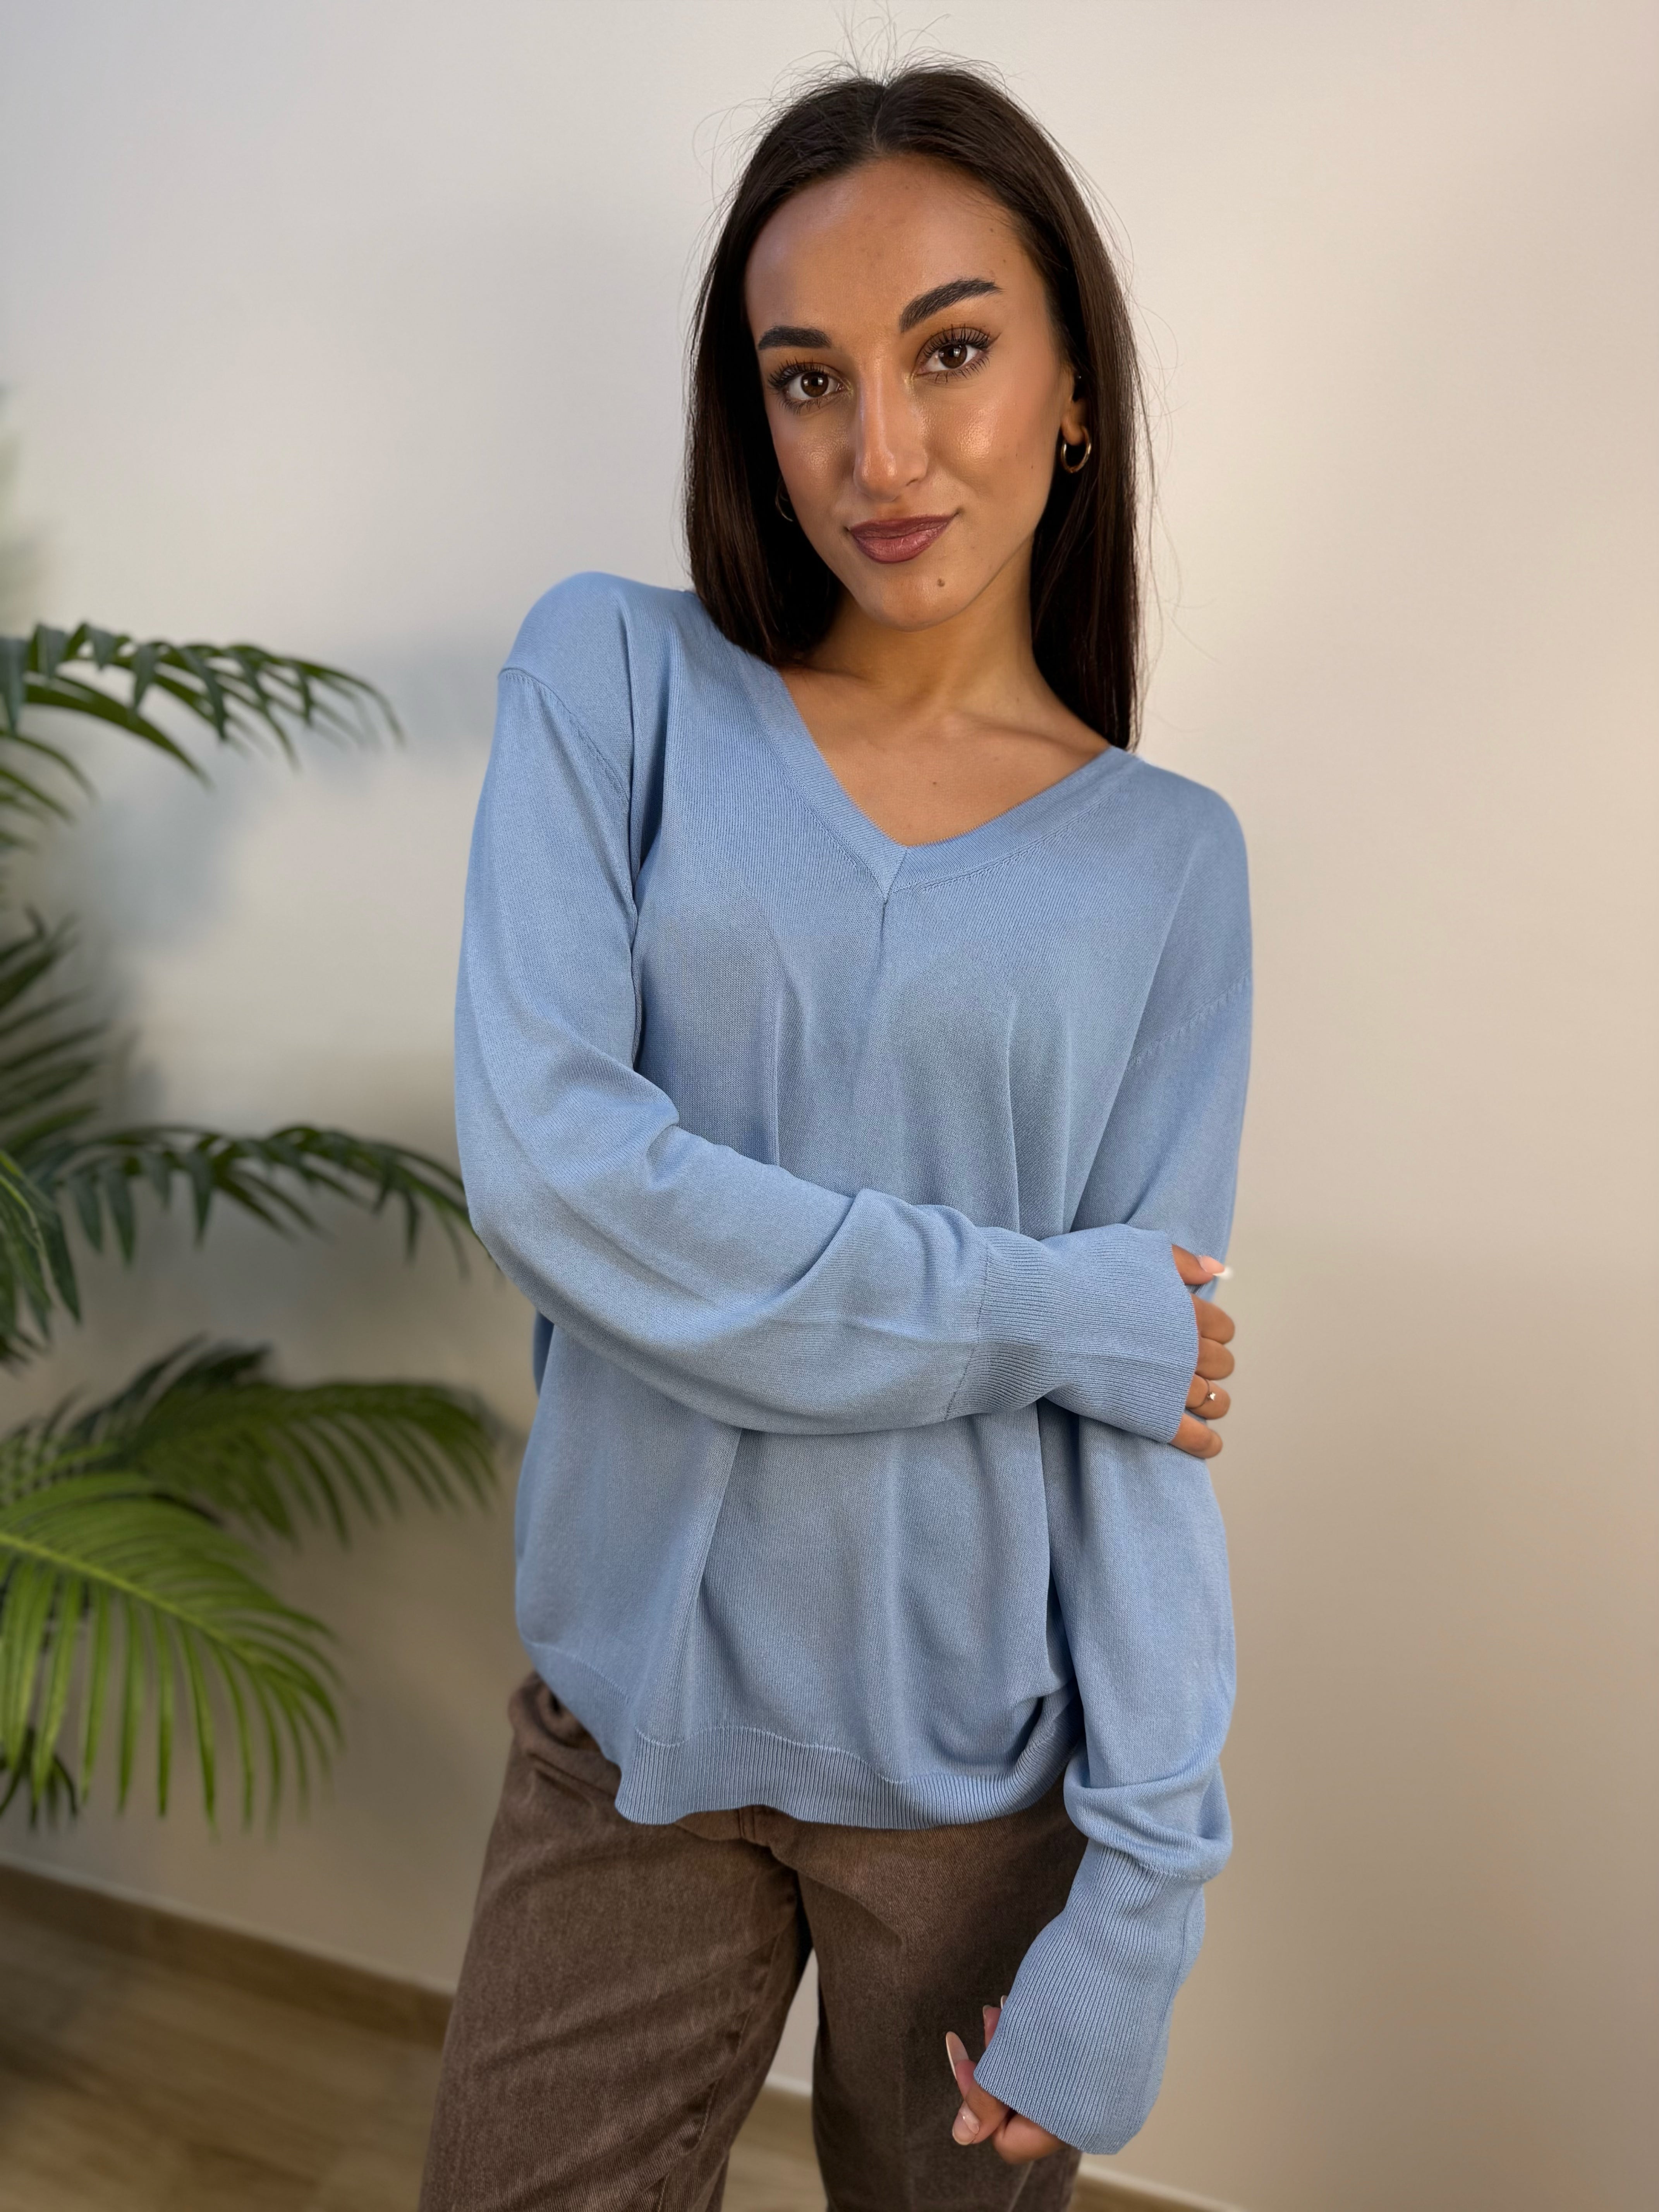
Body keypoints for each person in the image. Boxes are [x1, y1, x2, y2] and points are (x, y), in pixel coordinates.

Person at [423, 60, 1251, 2212]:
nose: (879, 453)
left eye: (950, 352)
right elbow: (557, 1178)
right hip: (627, 1745)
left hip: (985, 1804)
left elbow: (1149, 1407)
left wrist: (1144, 1897)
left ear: (1075, 388)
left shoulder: (1168, 863)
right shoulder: (613, 682)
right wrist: (1048, 1311)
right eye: (809, 380)